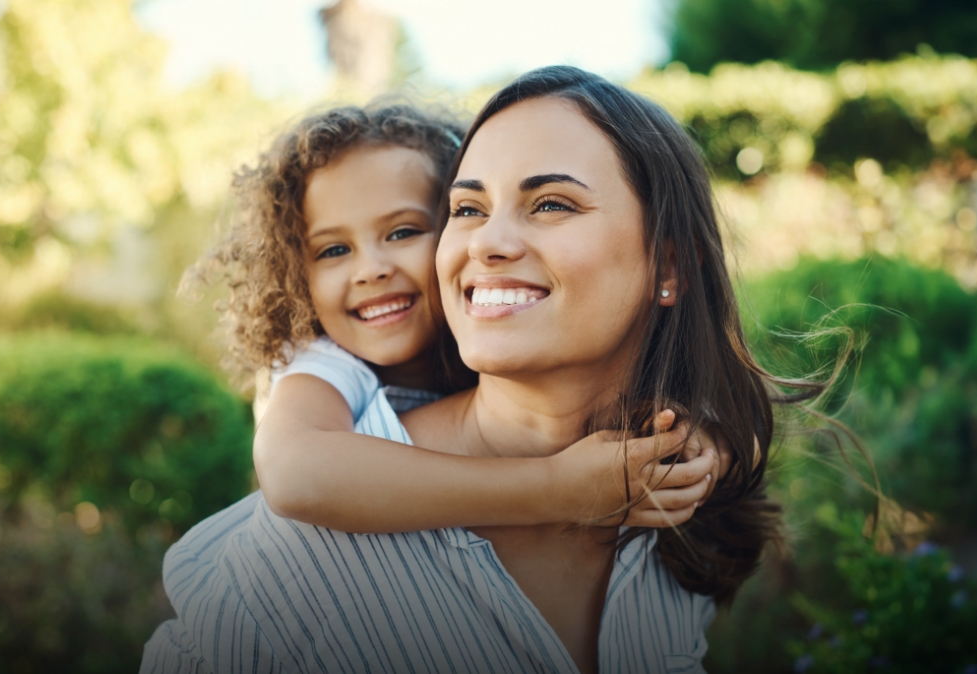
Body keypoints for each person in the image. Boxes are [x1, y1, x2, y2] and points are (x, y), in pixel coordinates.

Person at [144, 66, 805, 673]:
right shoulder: (315, 523)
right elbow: (293, 469)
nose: (487, 241)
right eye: (468, 210)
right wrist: (556, 489)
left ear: (670, 266)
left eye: (549, 203)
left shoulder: (668, 508)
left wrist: (708, 449)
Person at [187, 102, 722, 539]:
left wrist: (693, 451)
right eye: (332, 250)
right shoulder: (323, 365)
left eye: (401, 233)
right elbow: (295, 475)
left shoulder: (494, 341)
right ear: (294, 275)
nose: (371, 270)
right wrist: (557, 490)